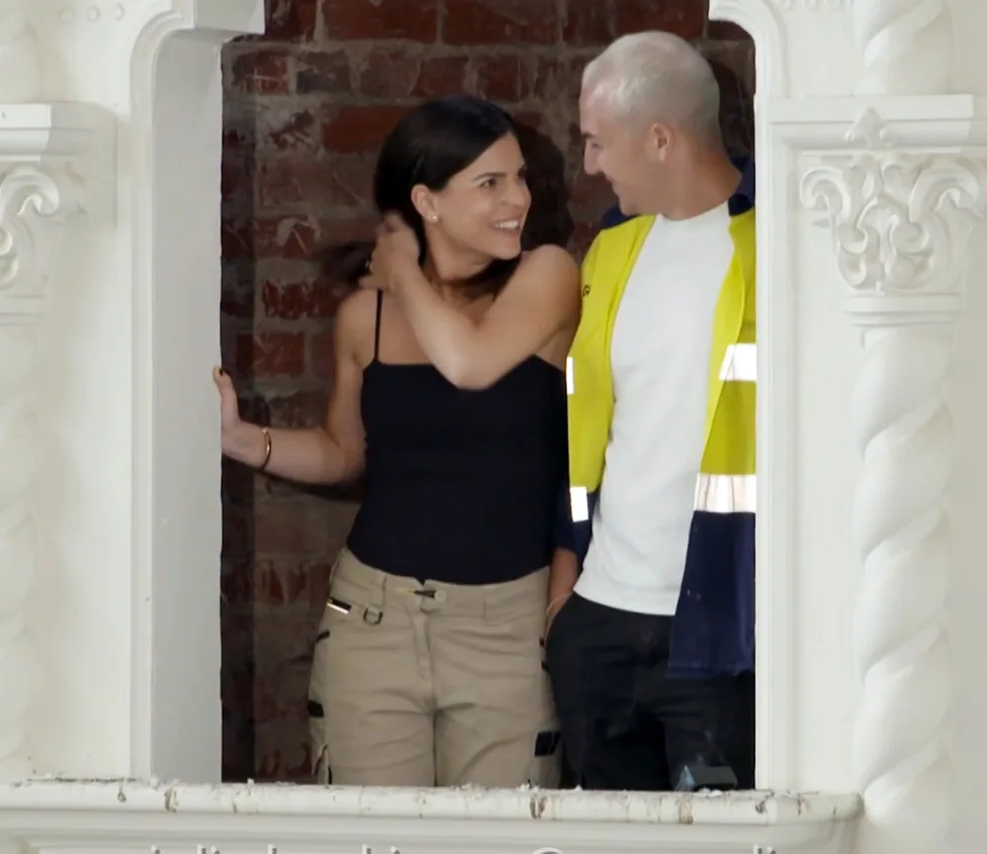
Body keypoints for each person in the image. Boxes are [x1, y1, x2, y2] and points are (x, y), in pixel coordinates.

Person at [214, 94, 581, 788]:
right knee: (370, 832)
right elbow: (343, 452)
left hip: (505, 626)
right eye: (491, 182)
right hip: (371, 618)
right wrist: (240, 439)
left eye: (519, 178)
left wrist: (403, 270)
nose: (518, 199)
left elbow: (469, 364)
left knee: (496, 837)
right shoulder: (367, 317)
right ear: (426, 201)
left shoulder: (548, 275)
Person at [545, 31, 757, 792]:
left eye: (598, 141)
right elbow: (590, 431)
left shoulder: (778, 242)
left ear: (660, 139)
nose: (589, 164)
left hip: (720, 629)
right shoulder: (613, 247)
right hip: (600, 621)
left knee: (723, 841)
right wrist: (567, 594)